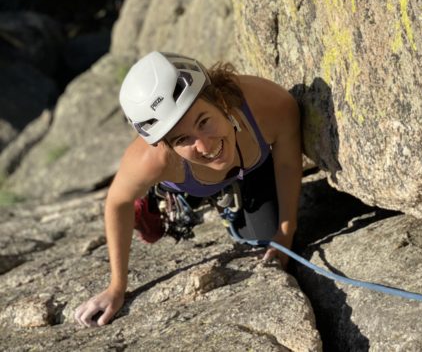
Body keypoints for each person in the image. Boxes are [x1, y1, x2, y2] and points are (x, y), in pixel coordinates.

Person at [75, 51, 303, 327]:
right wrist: (116, 287)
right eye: (183, 138)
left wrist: (285, 230)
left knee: (266, 238)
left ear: (219, 100)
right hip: (186, 180)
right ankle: (163, 197)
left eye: (204, 121)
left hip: (252, 168)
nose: (204, 145)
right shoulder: (152, 161)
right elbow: (116, 203)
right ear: (167, 145)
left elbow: (288, 164)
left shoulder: (270, 104)